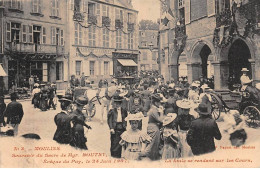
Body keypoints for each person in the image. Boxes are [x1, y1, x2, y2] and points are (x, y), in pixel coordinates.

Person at [141, 94, 164, 161]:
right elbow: (160, 120)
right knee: (152, 144)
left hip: (154, 127)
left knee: (155, 144)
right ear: (156, 102)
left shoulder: (154, 109)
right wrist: (162, 113)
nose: (160, 104)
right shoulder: (153, 110)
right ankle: (147, 158)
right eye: (159, 102)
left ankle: (151, 158)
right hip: (153, 128)